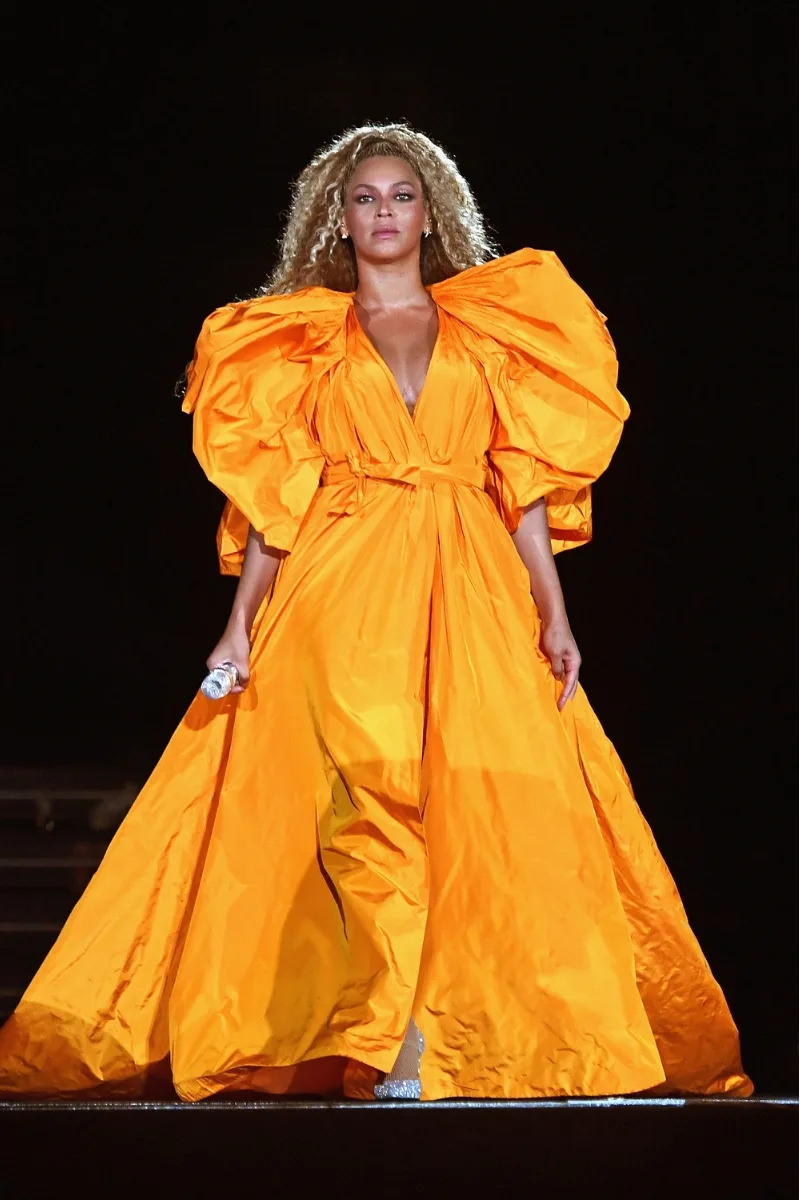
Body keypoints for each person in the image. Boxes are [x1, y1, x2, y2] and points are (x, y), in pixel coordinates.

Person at [0, 123, 753, 1103]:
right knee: (370, 795)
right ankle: (390, 1037)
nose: (384, 211)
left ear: (429, 211)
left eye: (401, 195)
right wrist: (238, 626)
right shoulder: (305, 339)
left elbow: (516, 485)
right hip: (341, 582)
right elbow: (279, 498)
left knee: (477, 802)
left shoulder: (485, 334)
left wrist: (554, 613)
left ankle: (444, 1027)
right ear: (336, 216)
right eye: (365, 197)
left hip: (468, 580)